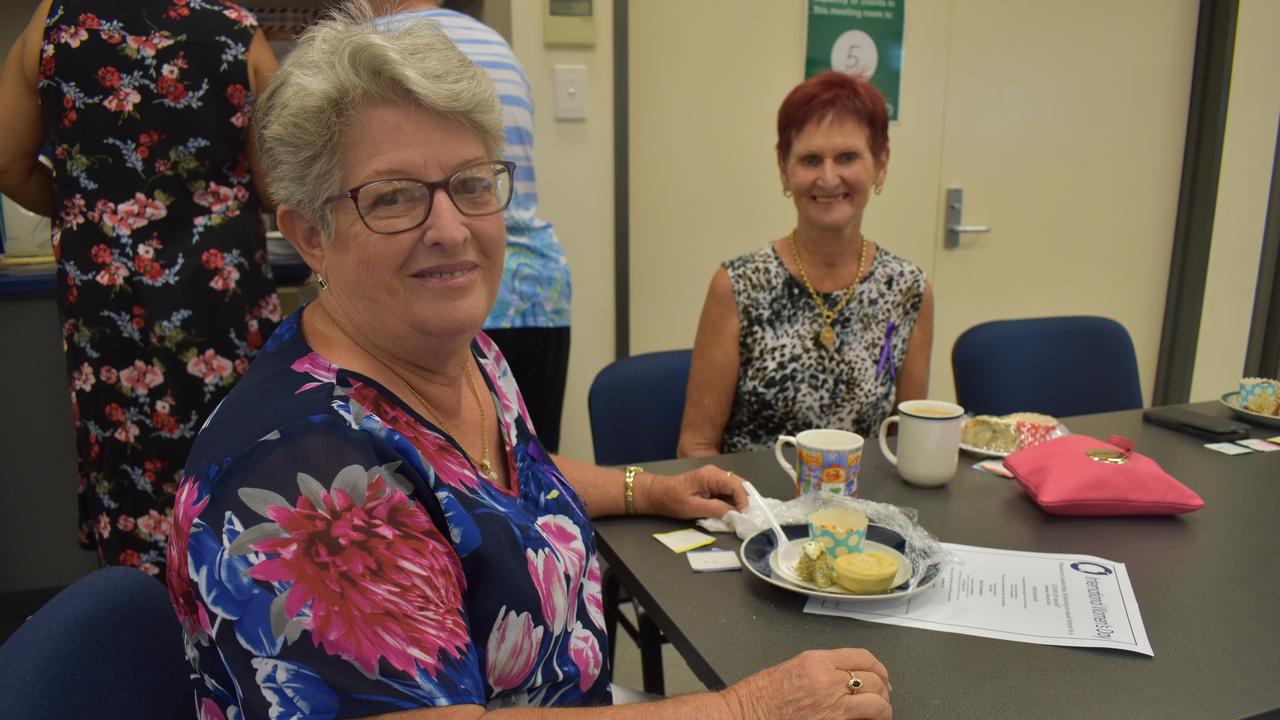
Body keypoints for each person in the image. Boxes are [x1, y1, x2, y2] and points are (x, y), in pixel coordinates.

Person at [166, 5, 893, 718]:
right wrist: (746, 711)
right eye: (394, 198)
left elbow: (496, 479)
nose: (450, 229)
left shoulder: (461, 352)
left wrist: (648, 490)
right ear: (311, 236)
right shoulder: (308, 482)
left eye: (473, 185)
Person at [0, 0, 280, 576]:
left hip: (107, 300)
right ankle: (236, 619)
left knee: (127, 462)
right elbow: (283, 184)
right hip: (219, 297)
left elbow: (7, 162)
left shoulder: (50, 25)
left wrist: (91, 217)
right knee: (236, 461)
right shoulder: (237, 34)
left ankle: (136, 625)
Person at [678, 71, 934, 457]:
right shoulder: (738, 286)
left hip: (863, 511)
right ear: (784, 170)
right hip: (756, 510)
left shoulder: (909, 290)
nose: (828, 178)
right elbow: (697, 446)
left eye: (847, 157)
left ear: (880, 165)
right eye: (810, 160)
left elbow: (905, 446)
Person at [372, 0, 573, 452]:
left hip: (455, 290)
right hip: (535, 291)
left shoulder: (368, 50)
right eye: (395, 194)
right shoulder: (498, 46)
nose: (451, 228)